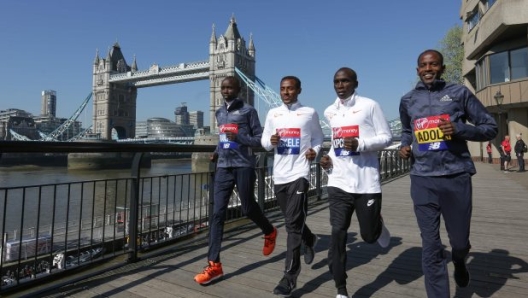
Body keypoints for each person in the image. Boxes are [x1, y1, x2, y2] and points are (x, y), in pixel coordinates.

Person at [399, 49, 497, 298]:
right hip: (422, 179)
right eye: (423, 65)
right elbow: (406, 130)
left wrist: (459, 128)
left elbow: (490, 128)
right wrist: (404, 146)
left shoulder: (459, 93)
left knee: (460, 242)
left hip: (456, 176)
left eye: (433, 64)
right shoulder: (408, 100)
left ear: (442, 68)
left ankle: (460, 260)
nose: (428, 69)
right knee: (431, 246)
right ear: (417, 70)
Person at [194, 76, 278, 285]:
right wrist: (216, 151)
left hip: (243, 165)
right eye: (223, 87)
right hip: (223, 166)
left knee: (248, 208)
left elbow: (258, 139)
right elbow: (223, 137)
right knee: (217, 214)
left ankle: (269, 231)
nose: (225, 90)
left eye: (229, 87)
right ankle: (214, 264)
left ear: (238, 89)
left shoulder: (249, 111)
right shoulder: (220, 112)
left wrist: (239, 137)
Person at [320, 67, 392, 298]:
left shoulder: (370, 106)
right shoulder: (329, 112)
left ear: (355, 83)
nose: (340, 86)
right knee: (338, 233)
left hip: (366, 182)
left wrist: (360, 144)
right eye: (336, 82)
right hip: (338, 181)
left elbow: (386, 137)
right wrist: (327, 159)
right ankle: (341, 288)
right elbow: (335, 144)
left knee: (369, 236)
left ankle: (376, 225)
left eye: (345, 81)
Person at [261, 76, 324, 296]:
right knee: (291, 220)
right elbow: (264, 142)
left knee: (292, 226)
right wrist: (271, 141)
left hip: (299, 173)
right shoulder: (272, 114)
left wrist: (314, 151)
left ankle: (289, 277)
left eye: (290, 89)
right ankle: (310, 239)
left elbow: (318, 138)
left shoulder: (309, 113)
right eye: (282, 89)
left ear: (298, 90)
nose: (286, 92)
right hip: (279, 175)